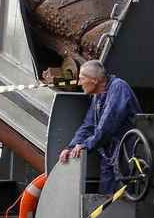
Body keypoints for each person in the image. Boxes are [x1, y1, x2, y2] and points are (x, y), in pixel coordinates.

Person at [59, 60, 141, 193]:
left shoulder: (119, 88)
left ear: (95, 79)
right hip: (109, 153)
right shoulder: (98, 95)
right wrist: (72, 147)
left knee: (123, 198)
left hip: (126, 152)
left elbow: (107, 127)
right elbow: (89, 125)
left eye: (82, 79)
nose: (79, 83)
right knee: (105, 196)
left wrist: (84, 146)